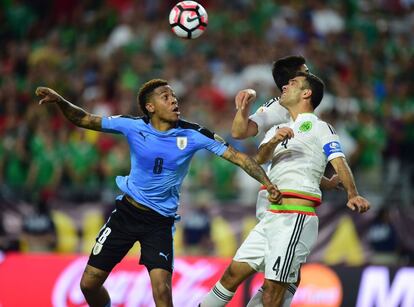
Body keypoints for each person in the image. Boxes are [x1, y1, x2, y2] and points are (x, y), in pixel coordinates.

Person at [35, 79, 281, 307]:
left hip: (159, 222)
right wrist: (61, 101)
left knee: (162, 292)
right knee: (88, 284)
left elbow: (239, 158)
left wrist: (268, 183)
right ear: (150, 107)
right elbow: (85, 119)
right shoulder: (132, 126)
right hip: (126, 214)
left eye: (174, 96)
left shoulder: (193, 134)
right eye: (166, 97)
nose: (174, 100)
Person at [200, 72, 370, 307]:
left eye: (293, 83)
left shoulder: (321, 127)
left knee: (272, 293)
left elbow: (339, 160)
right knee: (231, 275)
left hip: (294, 218)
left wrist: (352, 193)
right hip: (271, 217)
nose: (285, 85)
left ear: (306, 93)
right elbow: (260, 159)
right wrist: (273, 141)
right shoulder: (277, 128)